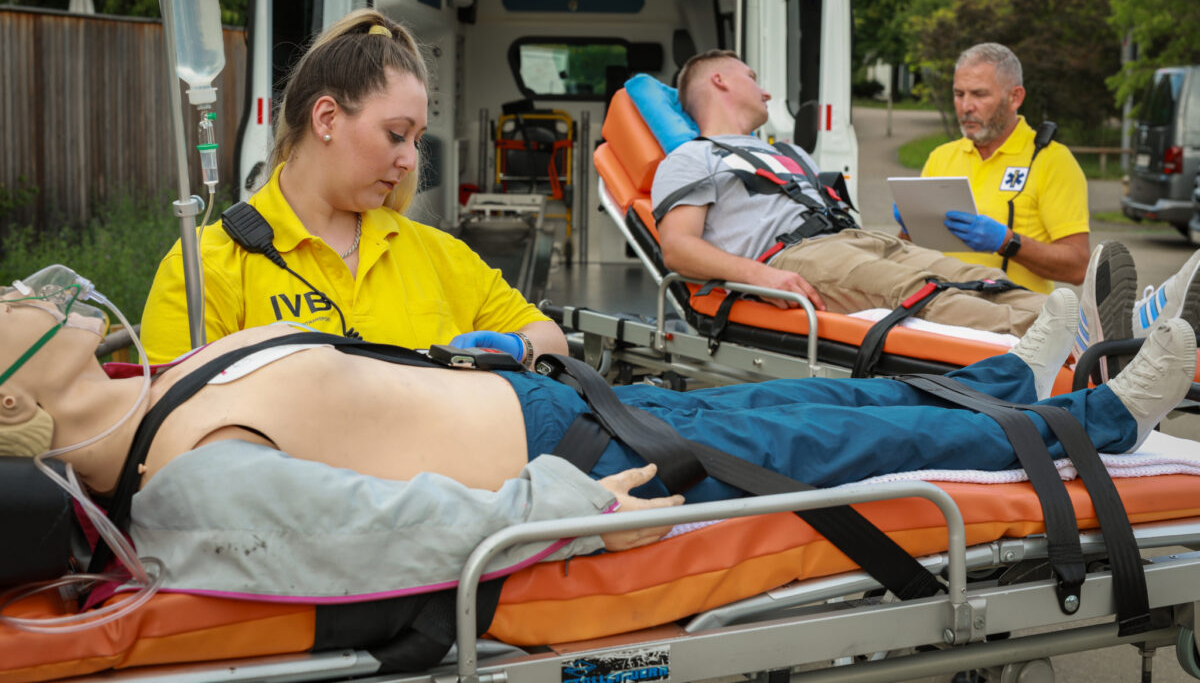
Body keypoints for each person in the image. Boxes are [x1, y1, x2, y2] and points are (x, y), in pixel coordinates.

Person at [1, 261, 1195, 598]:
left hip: (576, 403)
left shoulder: (165, 372)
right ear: (14, 397)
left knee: (824, 401)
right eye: (11, 306)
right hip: (590, 464)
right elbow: (381, 534)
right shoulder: (184, 482)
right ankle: (1105, 416)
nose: (36, 291)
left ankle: (1013, 372)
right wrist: (563, 512)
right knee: (855, 449)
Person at [140, 8, 567, 366]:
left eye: (417, 140)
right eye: (397, 134)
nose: (411, 160)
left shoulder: (437, 255)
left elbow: (550, 338)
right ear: (326, 118)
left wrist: (520, 347)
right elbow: (168, 429)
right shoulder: (207, 268)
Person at [652, 49, 1100, 341]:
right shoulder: (692, 158)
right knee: (920, 293)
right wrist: (761, 276)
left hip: (858, 241)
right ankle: (1080, 337)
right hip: (795, 259)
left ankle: (1101, 323)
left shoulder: (788, 154)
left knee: (965, 274)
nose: (765, 89)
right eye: (752, 77)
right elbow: (678, 248)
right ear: (719, 81)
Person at [911, 43, 1090, 293]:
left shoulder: (1052, 161)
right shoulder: (941, 157)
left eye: (979, 94)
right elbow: (909, 253)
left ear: (1015, 97)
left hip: (1015, 320)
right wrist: (909, 227)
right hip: (942, 311)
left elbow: (1078, 267)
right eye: (959, 94)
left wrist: (1008, 243)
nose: (966, 106)